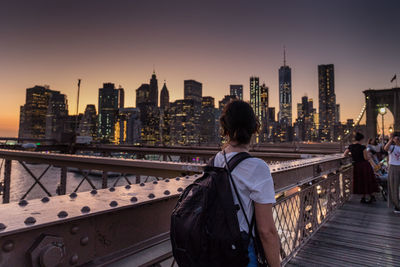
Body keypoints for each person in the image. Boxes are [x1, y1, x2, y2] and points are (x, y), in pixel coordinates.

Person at [214, 100, 280, 267]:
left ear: (225, 129)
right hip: (242, 252)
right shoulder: (258, 167)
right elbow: (266, 231)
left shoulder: (217, 159)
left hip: (217, 249)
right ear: (254, 128)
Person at [344, 132, 379, 203]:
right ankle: (371, 196)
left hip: (357, 166)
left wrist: (352, 156)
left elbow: (345, 154)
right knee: (367, 181)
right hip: (364, 166)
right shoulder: (363, 147)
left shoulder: (350, 146)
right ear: (361, 139)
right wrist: (369, 156)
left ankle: (363, 197)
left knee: (361, 181)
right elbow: (366, 158)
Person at [384, 133, 400, 214]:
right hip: (393, 167)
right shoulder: (392, 147)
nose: (398, 140)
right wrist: (391, 139)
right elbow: (385, 148)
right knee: (394, 187)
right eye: (397, 138)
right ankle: (397, 206)